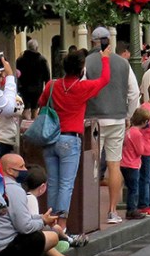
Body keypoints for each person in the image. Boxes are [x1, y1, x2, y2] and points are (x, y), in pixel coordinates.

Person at [39, 49, 112, 219]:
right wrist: (105, 59)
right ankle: (62, 223)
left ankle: (51, 221)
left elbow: (42, 102)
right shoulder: (82, 87)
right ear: (81, 69)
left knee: (53, 183)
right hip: (70, 139)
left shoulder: (52, 85)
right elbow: (105, 79)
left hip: (50, 138)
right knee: (66, 184)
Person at [0, 157, 91, 256]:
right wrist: (42, 222)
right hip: (2, 246)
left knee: (46, 233)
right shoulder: (14, 190)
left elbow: (20, 218)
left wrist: (42, 218)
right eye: (21, 167)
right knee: (52, 237)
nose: (25, 170)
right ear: (10, 171)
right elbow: (24, 227)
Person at [84, 30, 136, 225]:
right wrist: (128, 115)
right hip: (117, 118)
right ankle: (112, 210)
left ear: (93, 42)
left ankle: (89, 212)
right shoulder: (123, 63)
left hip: (93, 119)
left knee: (91, 164)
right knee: (114, 164)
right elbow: (134, 92)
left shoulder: (87, 62)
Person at [15, 40, 51, 120]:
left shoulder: (20, 60)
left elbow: (16, 74)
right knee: (35, 109)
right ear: (37, 48)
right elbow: (47, 76)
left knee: (26, 108)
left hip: (24, 88)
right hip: (38, 88)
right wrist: (47, 88)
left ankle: (27, 125)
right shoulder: (42, 60)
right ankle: (34, 124)